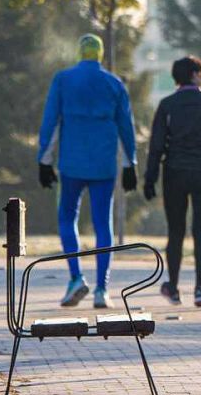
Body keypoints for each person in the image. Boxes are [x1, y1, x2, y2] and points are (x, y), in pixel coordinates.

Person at [38, 33, 139, 309]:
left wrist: (44, 160)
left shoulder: (63, 80)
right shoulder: (114, 84)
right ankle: (102, 289)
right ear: (101, 54)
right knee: (102, 224)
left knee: (66, 218)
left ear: (79, 53)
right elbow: (126, 127)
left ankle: (75, 277)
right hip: (104, 163)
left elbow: (51, 122)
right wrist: (131, 163)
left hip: (72, 162)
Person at [142, 55, 201, 308]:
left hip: (175, 173)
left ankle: (173, 288)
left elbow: (156, 145)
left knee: (176, 232)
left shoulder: (167, 105)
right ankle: (200, 289)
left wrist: (150, 178)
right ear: (194, 75)